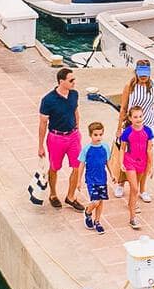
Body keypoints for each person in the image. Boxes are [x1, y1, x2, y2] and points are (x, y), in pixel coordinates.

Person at [35, 67, 85, 213]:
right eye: (71, 80)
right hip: (56, 137)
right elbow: (43, 123)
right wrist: (40, 145)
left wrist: (77, 128)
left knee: (77, 166)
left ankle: (70, 196)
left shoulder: (74, 94)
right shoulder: (48, 100)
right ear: (61, 81)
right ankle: (53, 194)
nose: (74, 82)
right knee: (54, 167)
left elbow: (76, 111)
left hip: (73, 136)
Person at [120, 61, 154, 203]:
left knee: (146, 158)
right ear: (136, 72)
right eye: (141, 74)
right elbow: (123, 107)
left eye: (146, 74)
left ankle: (143, 189)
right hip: (131, 124)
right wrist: (118, 127)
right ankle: (121, 182)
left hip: (149, 125)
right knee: (127, 155)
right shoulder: (129, 87)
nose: (144, 77)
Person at [117, 102, 154, 230]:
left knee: (137, 187)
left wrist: (151, 166)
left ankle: (131, 203)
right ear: (130, 118)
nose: (138, 119)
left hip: (143, 162)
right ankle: (132, 218)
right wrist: (121, 162)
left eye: (140, 116)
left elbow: (149, 150)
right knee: (134, 188)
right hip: (130, 161)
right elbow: (122, 149)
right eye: (135, 117)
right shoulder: (127, 132)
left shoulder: (148, 131)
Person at [81, 122, 110, 233]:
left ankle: (97, 221)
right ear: (90, 135)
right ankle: (88, 212)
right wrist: (78, 180)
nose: (98, 137)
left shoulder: (105, 147)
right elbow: (82, 164)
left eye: (100, 134)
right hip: (91, 179)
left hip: (102, 178)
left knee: (101, 201)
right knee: (95, 201)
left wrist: (112, 174)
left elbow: (107, 162)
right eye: (96, 135)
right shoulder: (87, 149)